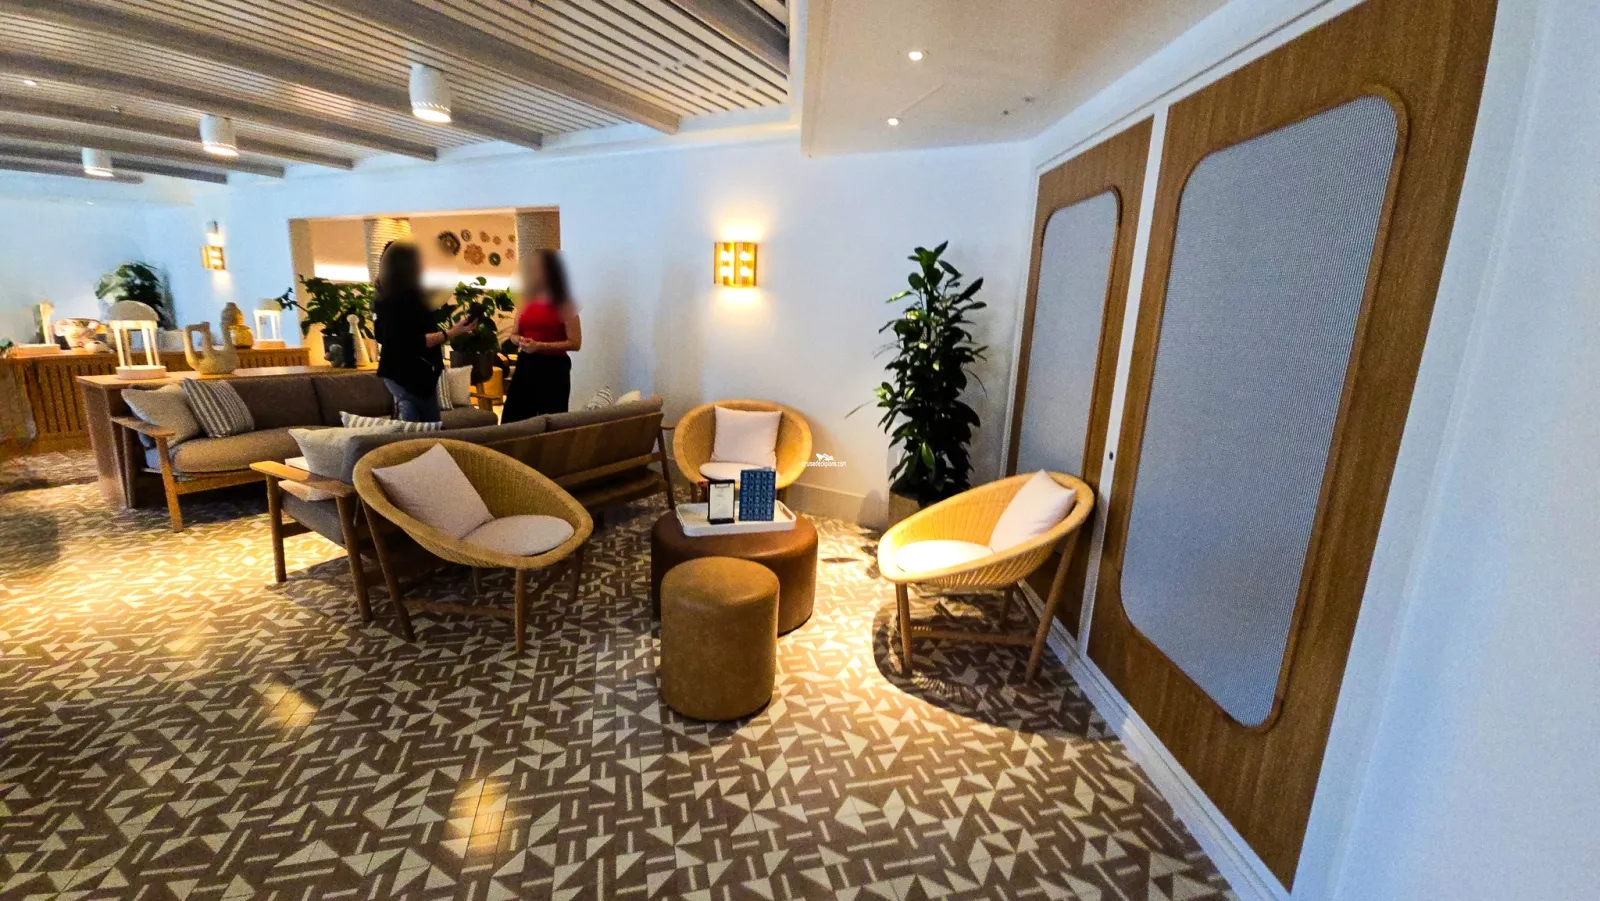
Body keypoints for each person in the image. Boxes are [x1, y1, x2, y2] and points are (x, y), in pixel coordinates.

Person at [373, 241, 475, 422]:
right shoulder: (405, 299)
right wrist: (452, 332)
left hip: (403, 374)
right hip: (411, 375)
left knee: (422, 426)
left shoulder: (385, 297)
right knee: (426, 429)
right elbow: (413, 341)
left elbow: (383, 337)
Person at [502, 249, 582, 423]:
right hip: (526, 364)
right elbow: (514, 334)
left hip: (554, 369)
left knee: (552, 421)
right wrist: (519, 340)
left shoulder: (564, 303)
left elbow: (575, 343)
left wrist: (540, 345)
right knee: (512, 418)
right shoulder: (526, 300)